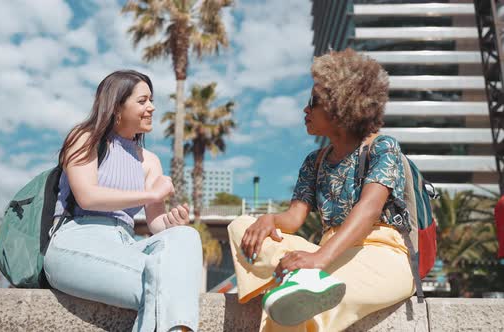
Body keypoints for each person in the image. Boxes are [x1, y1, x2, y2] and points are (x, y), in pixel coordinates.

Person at [227, 49, 415, 331]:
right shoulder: (314, 162)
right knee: (242, 225)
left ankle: (301, 284)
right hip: (329, 251)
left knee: (300, 305)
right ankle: (300, 281)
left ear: (343, 105)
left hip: (382, 255)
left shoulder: (382, 146)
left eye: (313, 102)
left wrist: (319, 260)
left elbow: (369, 209)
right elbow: (293, 219)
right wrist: (270, 220)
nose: (305, 109)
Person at [43, 70, 202, 332]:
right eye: (142, 101)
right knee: (165, 285)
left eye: (151, 100)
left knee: (185, 236)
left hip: (126, 246)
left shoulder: (149, 161)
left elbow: (155, 223)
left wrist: (173, 223)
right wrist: (150, 194)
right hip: (76, 241)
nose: (151, 107)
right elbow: (88, 196)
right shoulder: (85, 137)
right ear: (117, 106)